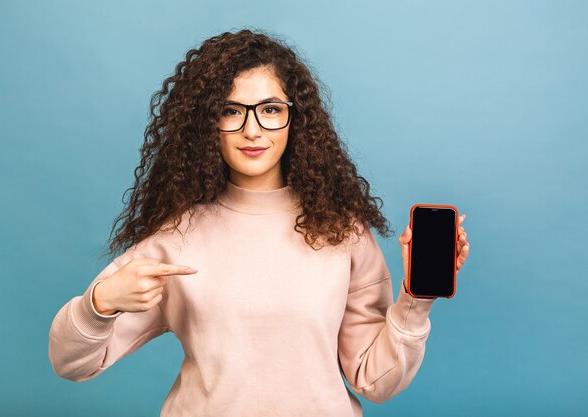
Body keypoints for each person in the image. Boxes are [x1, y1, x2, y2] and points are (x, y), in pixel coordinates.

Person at [48, 28, 470, 417]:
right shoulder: (175, 237)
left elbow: (375, 381)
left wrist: (416, 301)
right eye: (231, 111)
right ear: (205, 124)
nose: (253, 129)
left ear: (296, 118)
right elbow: (71, 363)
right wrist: (100, 303)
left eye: (270, 109)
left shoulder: (342, 231)